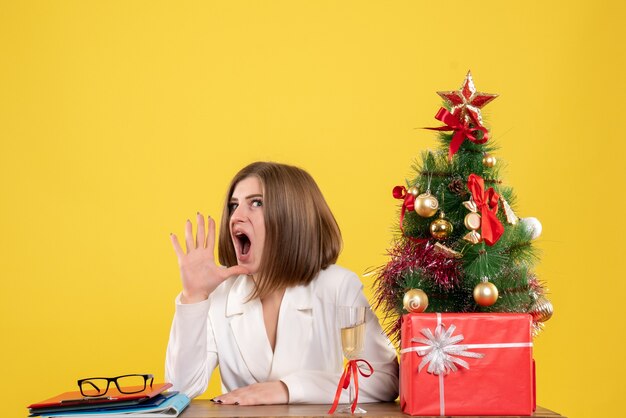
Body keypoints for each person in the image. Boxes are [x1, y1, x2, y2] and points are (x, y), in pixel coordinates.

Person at [165, 161, 399, 405]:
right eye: (234, 205)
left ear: (292, 217)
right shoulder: (218, 292)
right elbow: (181, 388)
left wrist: (288, 389)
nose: (236, 216)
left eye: (256, 203)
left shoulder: (338, 286)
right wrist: (193, 296)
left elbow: (386, 378)